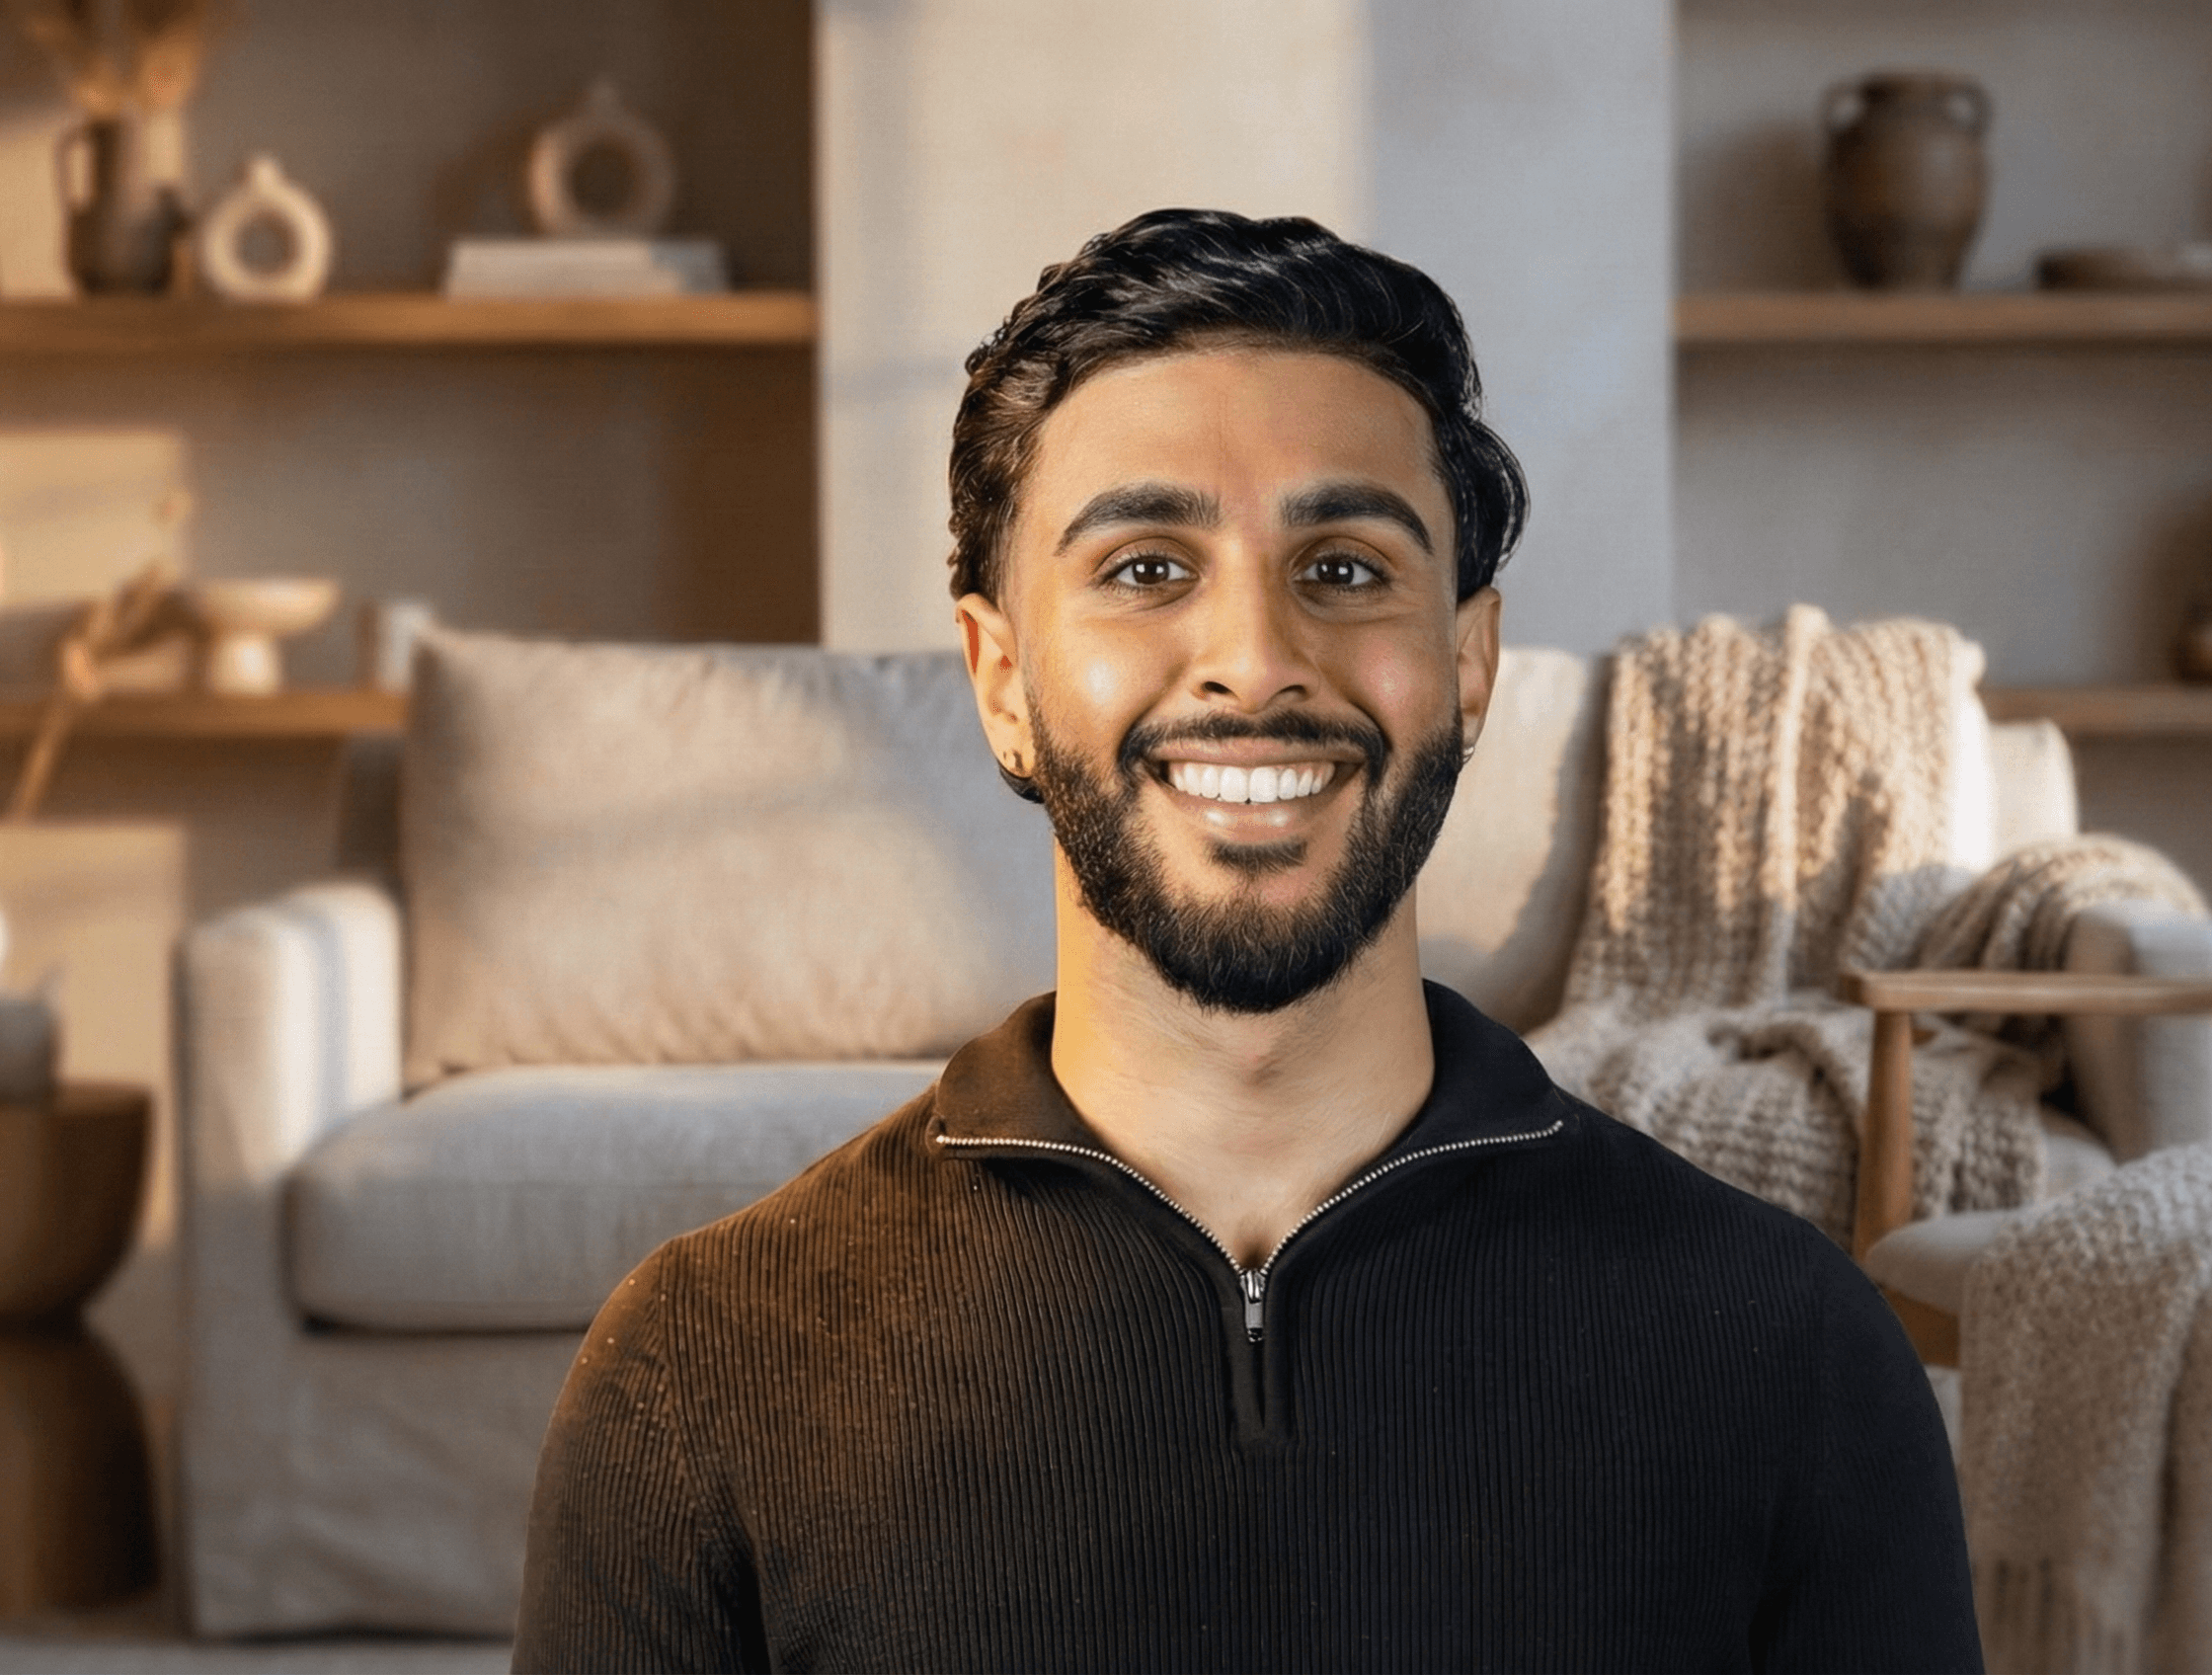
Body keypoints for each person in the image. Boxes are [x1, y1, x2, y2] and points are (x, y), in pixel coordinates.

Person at [512, 208, 1982, 1674]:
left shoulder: (1791, 1357)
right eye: (1146, 567)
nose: (1258, 660)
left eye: (1343, 567)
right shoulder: (700, 1366)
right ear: (1003, 678)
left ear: (1467, 664)